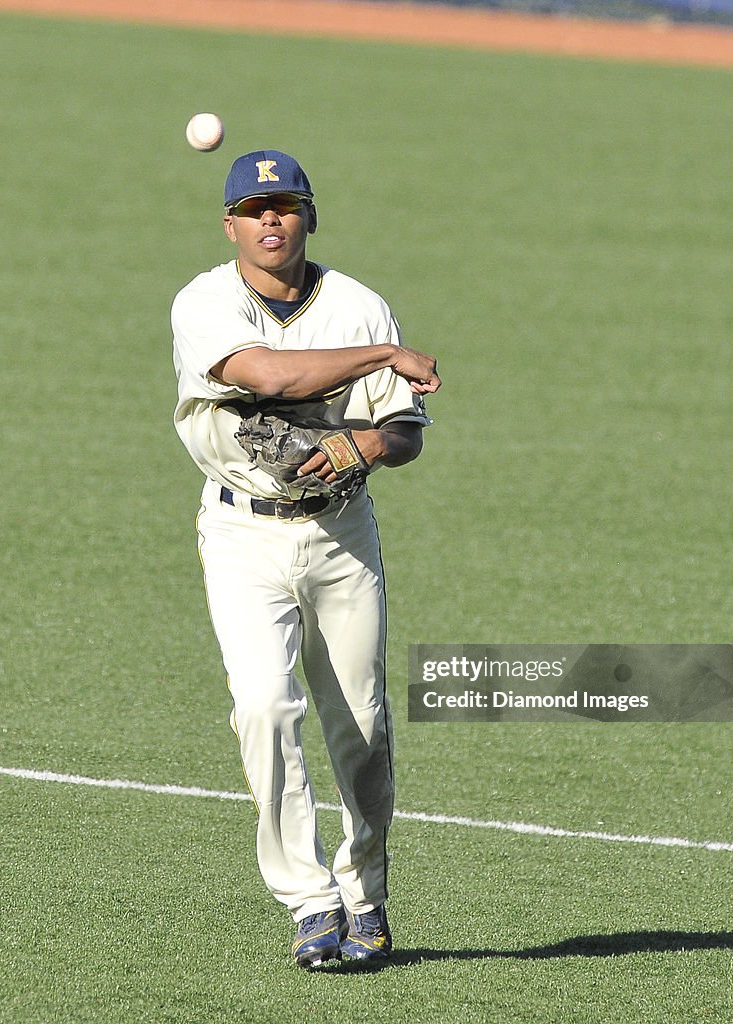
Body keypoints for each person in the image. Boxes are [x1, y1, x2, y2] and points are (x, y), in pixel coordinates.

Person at [170, 150, 441, 968]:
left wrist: (368, 443)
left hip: (340, 535)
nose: (271, 220)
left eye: (286, 206)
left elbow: (406, 431)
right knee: (262, 706)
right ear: (232, 225)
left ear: (310, 217)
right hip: (242, 535)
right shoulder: (205, 301)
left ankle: (366, 895)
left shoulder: (357, 305)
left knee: (361, 728)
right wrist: (383, 357)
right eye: (255, 209)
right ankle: (310, 901)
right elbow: (269, 373)